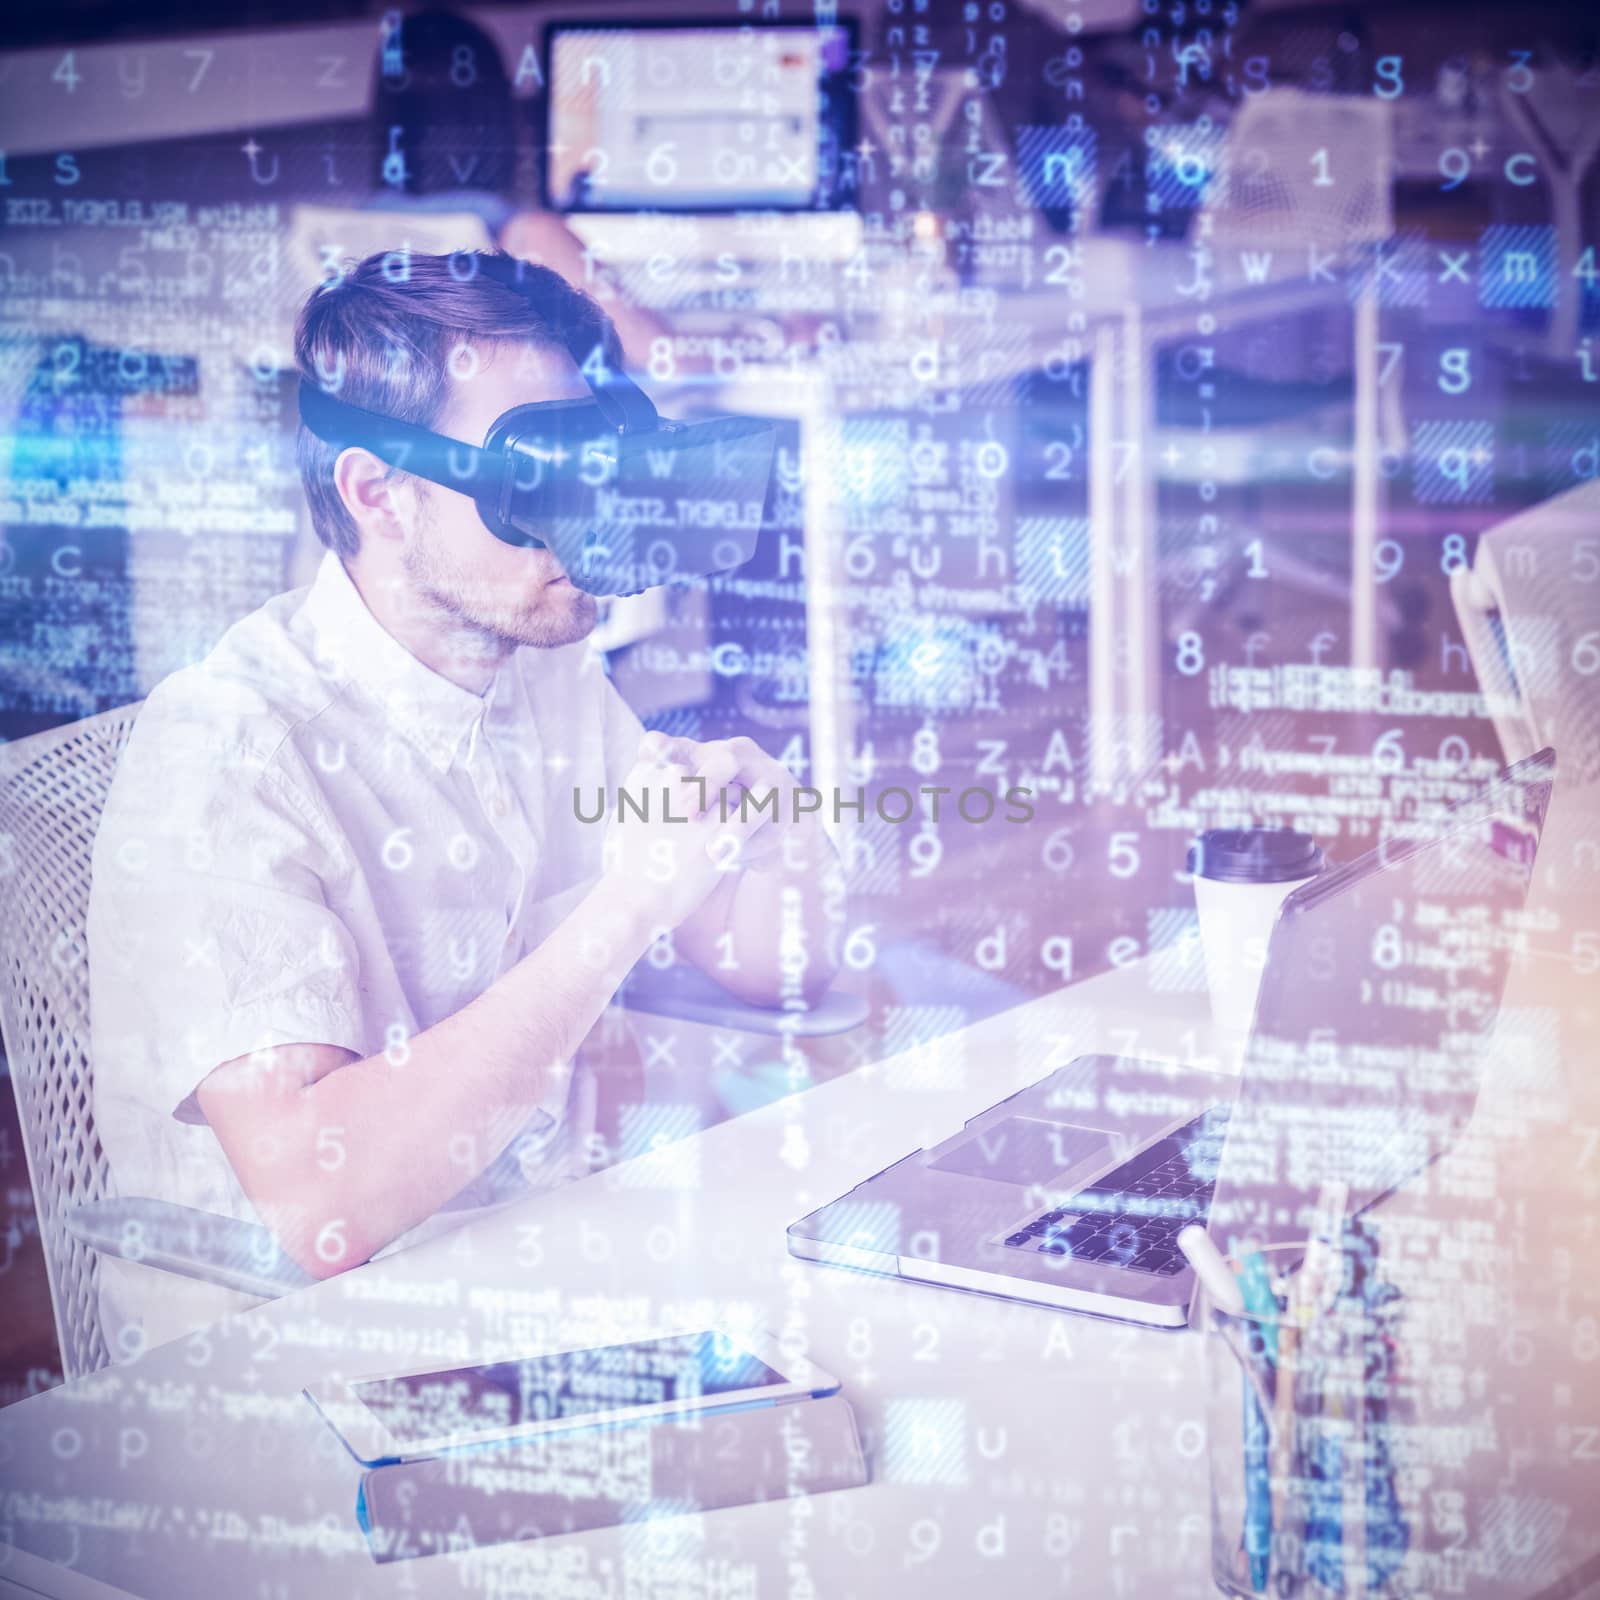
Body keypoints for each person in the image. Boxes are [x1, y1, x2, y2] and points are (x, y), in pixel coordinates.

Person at [85, 251, 842, 1358]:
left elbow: (778, 964)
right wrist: (627, 906)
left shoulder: (540, 673)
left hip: (542, 1291)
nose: (579, 521)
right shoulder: (229, 752)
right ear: (377, 491)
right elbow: (316, 1201)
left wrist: (770, 830)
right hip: (293, 1374)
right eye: (534, 481)